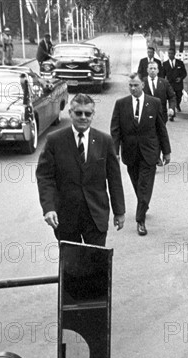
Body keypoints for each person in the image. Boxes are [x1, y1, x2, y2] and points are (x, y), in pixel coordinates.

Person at [36, 93, 125, 247]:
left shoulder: (105, 141)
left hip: (96, 215)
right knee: (71, 264)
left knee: (97, 262)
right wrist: (49, 208)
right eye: (78, 113)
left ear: (93, 115)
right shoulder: (55, 140)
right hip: (66, 216)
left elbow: (114, 178)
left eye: (87, 114)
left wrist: (119, 211)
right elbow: (45, 177)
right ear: (70, 113)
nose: (83, 117)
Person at [110, 73, 171, 236]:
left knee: (144, 185)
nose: (133, 88)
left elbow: (161, 128)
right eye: (130, 85)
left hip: (149, 152)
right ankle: (143, 204)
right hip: (130, 153)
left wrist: (166, 151)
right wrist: (115, 151)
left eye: (136, 85)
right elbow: (115, 130)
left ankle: (140, 220)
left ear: (143, 85)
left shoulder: (154, 103)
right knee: (137, 184)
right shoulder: (121, 104)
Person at [143, 61, 176, 166]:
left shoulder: (164, 83)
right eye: (150, 68)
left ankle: (158, 154)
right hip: (146, 115)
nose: (152, 70)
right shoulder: (142, 83)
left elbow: (172, 96)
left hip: (161, 115)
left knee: (159, 135)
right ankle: (155, 158)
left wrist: (171, 108)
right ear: (147, 70)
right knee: (150, 136)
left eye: (154, 68)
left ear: (157, 70)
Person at [161, 48, 187, 117]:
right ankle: (172, 111)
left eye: (172, 53)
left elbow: (184, 73)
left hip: (178, 84)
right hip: (170, 84)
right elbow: (163, 75)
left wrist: (180, 78)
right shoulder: (165, 64)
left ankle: (177, 104)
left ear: (174, 54)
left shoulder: (180, 63)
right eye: (169, 53)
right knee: (171, 97)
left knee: (179, 95)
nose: (170, 55)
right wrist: (163, 83)